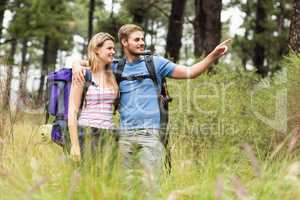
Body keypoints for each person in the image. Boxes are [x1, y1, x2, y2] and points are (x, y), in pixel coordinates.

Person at [72, 24, 230, 176]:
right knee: (127, 187)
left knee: (150, 184)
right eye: (137, 40)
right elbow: (93, 62)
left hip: (150, 135)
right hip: (123, 137)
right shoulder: (115, 66)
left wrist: (212, 56)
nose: (141, 43)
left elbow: (190, 72)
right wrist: (76, 65)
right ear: (125, 42)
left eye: (142, 39)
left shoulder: (156, 63)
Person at [68, 32, 118, 162]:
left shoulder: (112, 75)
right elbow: (72, 111)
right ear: (96, 50)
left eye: (114, 48)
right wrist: (74, 145)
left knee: (107, 180)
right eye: (109, 48)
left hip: (110, 135)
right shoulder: (82, 74)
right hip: (87, 133)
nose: (113, 51)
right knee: (85, 179)